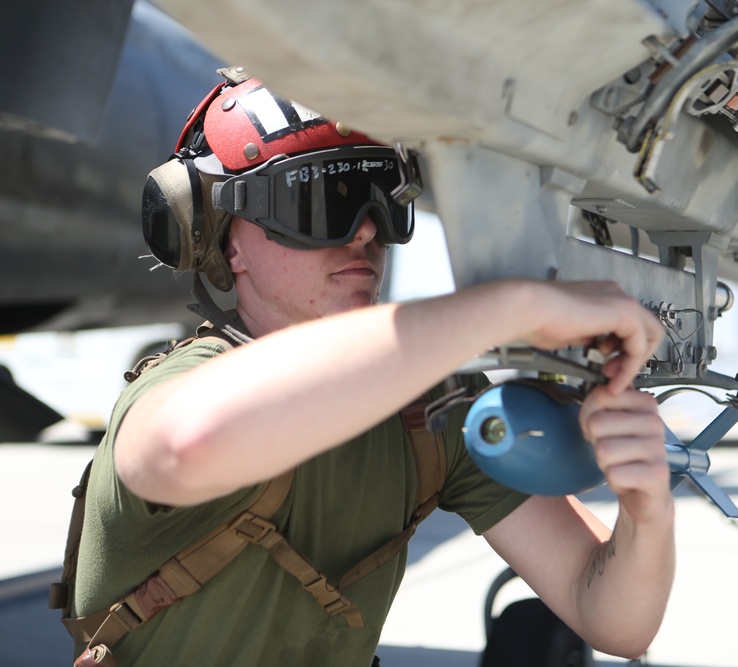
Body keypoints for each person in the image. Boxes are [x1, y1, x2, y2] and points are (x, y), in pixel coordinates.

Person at [65, 67, 676, 666]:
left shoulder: (430, 408)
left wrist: (645, 512)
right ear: (229, 240)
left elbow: (611, 617)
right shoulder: (180, 391)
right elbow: (187, 444)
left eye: (383, 199)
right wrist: (505, 307)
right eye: (317, 202)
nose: (363, 232)